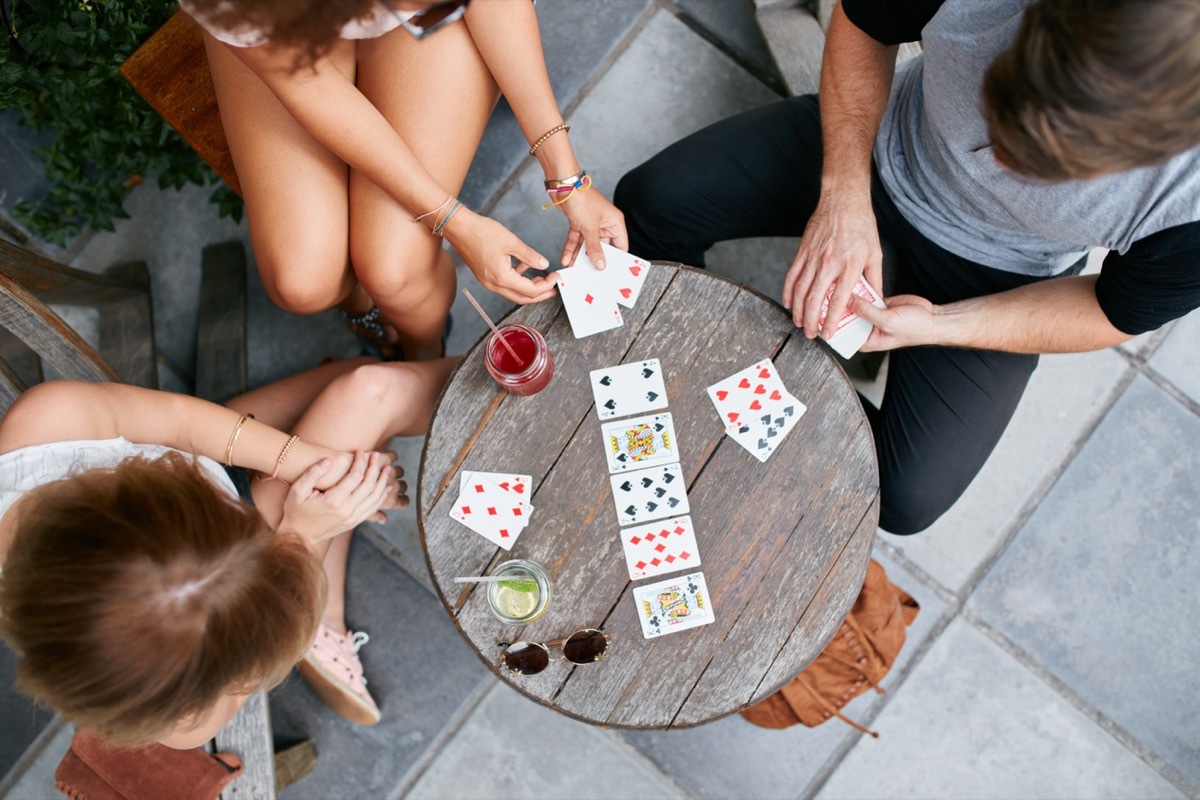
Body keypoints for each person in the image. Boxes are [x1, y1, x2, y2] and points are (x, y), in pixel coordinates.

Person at [614, 0, 1200, 535]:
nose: (991, 160)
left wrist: (945, 325)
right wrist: (843, 193)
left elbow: (1113, 313)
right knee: (650, 201)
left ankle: (737, 400)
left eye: (1042, 168)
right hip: (878, 146)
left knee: (903, 497)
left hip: (1004, 268)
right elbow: (864, 21)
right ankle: (685, 370)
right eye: (998, 113)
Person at [0, 354, 457, 747]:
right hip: (284, 537)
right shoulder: (179, 714)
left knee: (367, 374)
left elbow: (180, 423)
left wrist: (318, 468)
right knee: (372, 390)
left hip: (209, 454)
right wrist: (304, 535)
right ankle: (315, 609)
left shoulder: (49, 425)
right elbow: (249, 670)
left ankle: (321, 607)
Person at [182, 0, 627, 360]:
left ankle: (421, 359)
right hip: (281, 30)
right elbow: (311, 88)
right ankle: (366, 316)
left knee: (395, 271)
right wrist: (455, 221)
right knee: (302, 283)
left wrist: (568, 181)